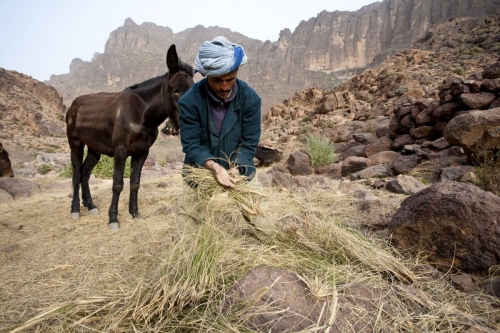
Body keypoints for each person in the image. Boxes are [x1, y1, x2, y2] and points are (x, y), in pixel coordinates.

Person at [176, 36, 273, 236]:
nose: (224, 87)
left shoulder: (251, 99)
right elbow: (192, 145)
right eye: (217, 80)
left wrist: (236, 168)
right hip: (201, 168)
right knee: (188, 224)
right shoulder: (189, 102)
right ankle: (190, 259)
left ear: (237, 72)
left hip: (239, 167)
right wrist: (214, 167)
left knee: (263, 221)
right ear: (205, 75)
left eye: (230, 79)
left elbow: (249, 143)